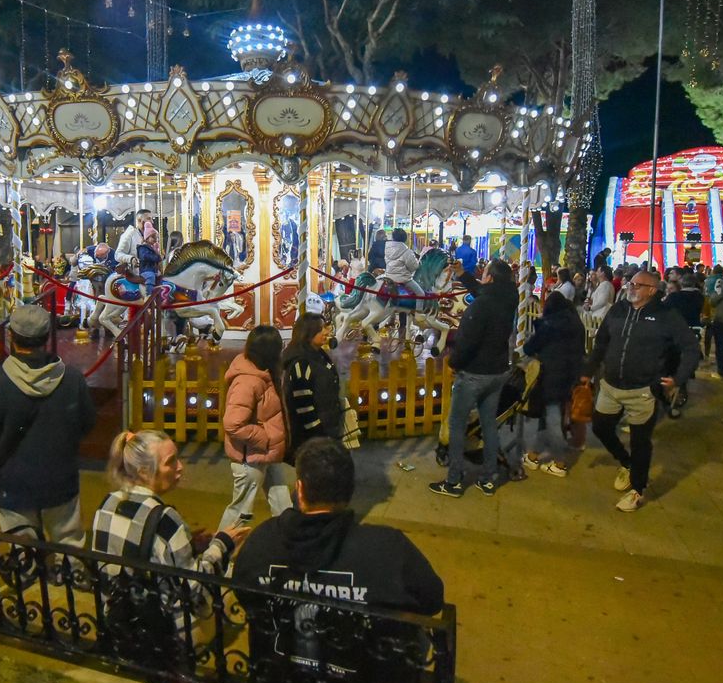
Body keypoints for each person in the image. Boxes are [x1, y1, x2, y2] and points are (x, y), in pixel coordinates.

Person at [235, 437, 444, 613]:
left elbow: (244, 593)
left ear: (299, 490)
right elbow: (432, 600)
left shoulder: (262, 541)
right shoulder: (389, 549)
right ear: (349, 490)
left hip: (280, 659)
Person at [0, 305, 96, 546]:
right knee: (69, 546)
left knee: (22, 552)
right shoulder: (73, 379)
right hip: (61, 477)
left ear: (12, 337)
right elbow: (87, 424)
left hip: (12, 481)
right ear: (47, 337)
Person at [584, 268, 700, 511]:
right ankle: (626, 463)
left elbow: (691, 348)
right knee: (600, 427)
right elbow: (602, 341)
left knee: (640, 441)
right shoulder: (619, 310)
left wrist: (678, 379)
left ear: (651, 290)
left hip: (643, 389)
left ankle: (638, 489)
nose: (630, 287)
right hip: (611, 384)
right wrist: (589, 369)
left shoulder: (666, 315)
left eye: (637, 284)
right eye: (630, 283)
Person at [92, 430, 247, 574]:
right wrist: (221, 545)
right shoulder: (165, 518)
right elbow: (194, 588)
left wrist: (188, 545)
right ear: (144, 472)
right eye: (171, 462)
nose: (180, 467)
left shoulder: (109, 502)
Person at [430, 259, 519, 497]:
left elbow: (467, 341)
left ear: (489, 278)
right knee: (489, 423)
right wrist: (464, 275)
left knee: (457, 425)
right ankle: (489, 478)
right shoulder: (509, 297)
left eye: (485, 273)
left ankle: (454, 480)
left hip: (474, 373)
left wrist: (453, 363)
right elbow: (483, 290)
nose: (483, 276)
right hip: (498, 371)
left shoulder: (480, 306)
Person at [219, 325, 293, 530]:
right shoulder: (247, 381)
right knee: (240, 513)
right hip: (251, 459)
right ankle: (218, 555)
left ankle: (288, 548)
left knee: (283, 505)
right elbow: (233, 423)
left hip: (267, 453)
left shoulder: (264, 374)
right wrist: (264, 438)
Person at [519, 290, 586, 477]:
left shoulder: (550, 324)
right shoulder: (575, 323)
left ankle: (559, 462)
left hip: (552, 376)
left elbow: (530, 347)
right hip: (570, 376)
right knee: (551, 416)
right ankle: (533, 454)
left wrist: (539, 323)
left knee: (553, 419)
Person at [281, 314, 345, 455]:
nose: (326, 332)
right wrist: (318, 433)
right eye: (320, 329)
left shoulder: (320, 355)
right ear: (308, 333)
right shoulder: (301, 364)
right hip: (313, 437)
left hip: (328, 428)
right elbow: (303, 405)